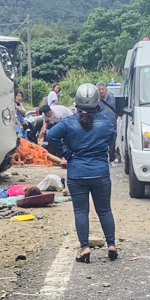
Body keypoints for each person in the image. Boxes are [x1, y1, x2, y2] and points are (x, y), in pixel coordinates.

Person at [46, 83, 117, 263]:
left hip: (77, 172)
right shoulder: (106, 123)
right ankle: (111, 245)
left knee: (81, 211)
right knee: (105, 210)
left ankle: (85, 248)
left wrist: (66, 153)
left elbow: (51, 136)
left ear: (76, 103)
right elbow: (111, 142)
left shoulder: (69, 123)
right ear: (97, 102)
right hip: (100, 172)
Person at [96, 82, 118, 162]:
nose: (101, 91)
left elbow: (117, 109)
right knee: (102, 143)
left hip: (112, 125)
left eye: (102, 89)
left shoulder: (113, 98)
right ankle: (103, 158)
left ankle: (112, 158)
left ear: (106, 89)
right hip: (101, 126)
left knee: (112, 143)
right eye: (99, 90)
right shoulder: (96, 101)